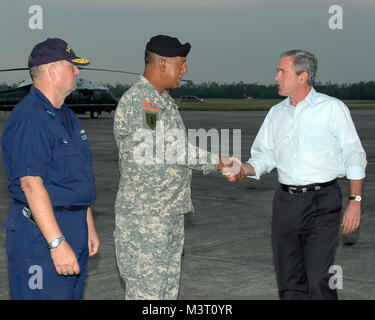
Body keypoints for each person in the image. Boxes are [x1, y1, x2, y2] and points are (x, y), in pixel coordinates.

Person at [224, 50, 367, 300]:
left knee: (319, 278)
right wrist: (242, 169)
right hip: (286, 203)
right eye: (277, 71)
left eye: (282, 71)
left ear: (303, 77)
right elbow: (263, 157)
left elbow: (354, 155)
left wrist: (355, 202)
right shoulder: (275, 114)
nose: (276, 77)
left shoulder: (332, 109)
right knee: (289, 280)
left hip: (323, 202)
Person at [113, 35, 236, 300]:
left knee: (166, 292)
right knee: (147, 294)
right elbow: (170, 148)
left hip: (166, 212)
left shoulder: (161, 100)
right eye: (180, 64)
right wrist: (219, 162)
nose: (185, 70)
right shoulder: (143, 101)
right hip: (145, 218)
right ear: (160, 63)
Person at [1, 38, 100, 300]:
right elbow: (31, 184)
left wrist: (86, 221)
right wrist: (56, 243)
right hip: (41, 237)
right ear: (53, 70)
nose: (77, 71)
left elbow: (74, 176)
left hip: (72, 226)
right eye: (72, 66)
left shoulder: (65, 115)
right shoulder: (30, 118)